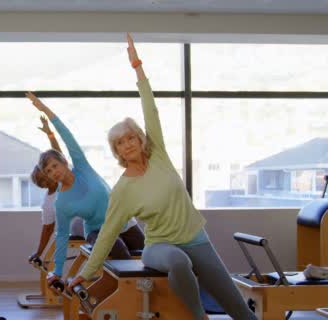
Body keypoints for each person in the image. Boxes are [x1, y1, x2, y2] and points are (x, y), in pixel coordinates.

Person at [69, 33, 256, 320]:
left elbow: (150, 109)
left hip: (196, 237)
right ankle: (198, 316)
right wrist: (86, 272)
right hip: (158, 247)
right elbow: (108, 231)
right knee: (179, 261)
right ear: (116, 150)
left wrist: (138, 68)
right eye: (120, 142)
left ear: (140, 139)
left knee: (236, 304)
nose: (128, 144)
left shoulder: (159, 156)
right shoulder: (124, 189)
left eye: (131, 137)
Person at [24, 92, 145, 285]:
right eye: (48, 171)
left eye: (55, 166)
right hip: (97, 231)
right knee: (121, 254)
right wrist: (57, 271)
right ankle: (121, 302)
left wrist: (45, 109)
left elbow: (66, 135)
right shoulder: (61, 202)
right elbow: (62, 237)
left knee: (151, 257)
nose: (53, 172)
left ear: (64, 162)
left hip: (124, 222)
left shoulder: (82, 167)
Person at [28, 116, 84, 264]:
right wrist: (39, 253)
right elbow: (47, 230)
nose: (44, 180)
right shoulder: (47, 203)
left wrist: (50, 134)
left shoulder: (64, 180)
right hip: (83, 226)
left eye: (45, 175)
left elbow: (57, 154)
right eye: (40, 180)